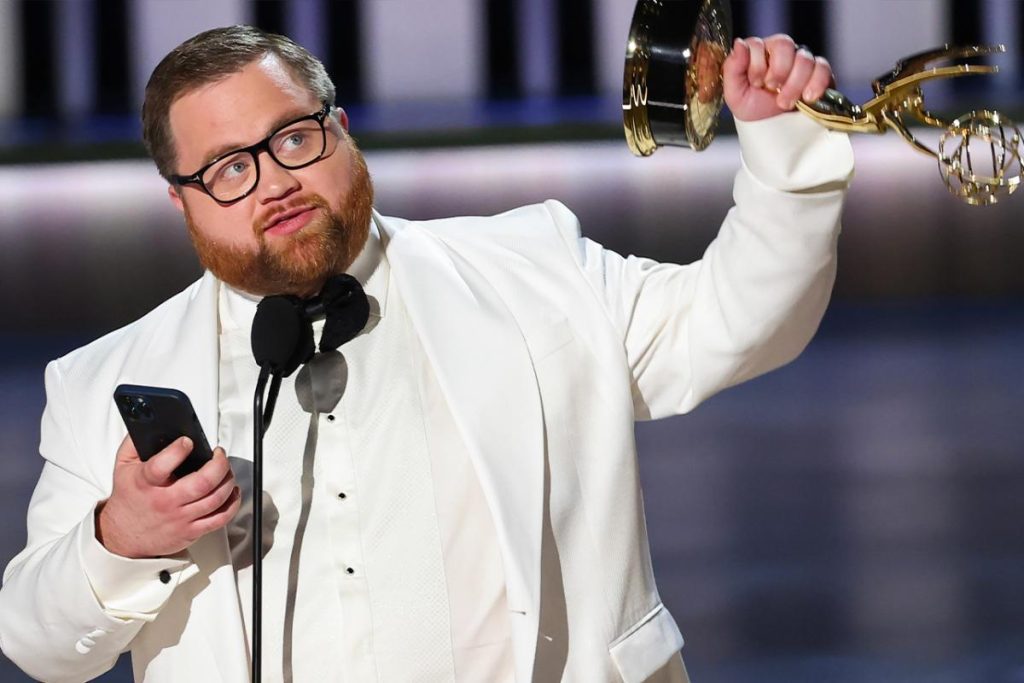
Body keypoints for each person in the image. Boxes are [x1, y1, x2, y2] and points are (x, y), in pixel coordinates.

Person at [0, 25, 852, 683]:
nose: (274, 181)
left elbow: (740, 316)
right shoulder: (102, 383)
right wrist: (121, 537)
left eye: (293, 138)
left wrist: (786, 154)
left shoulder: (533, 266)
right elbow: (38, 643)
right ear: (182, 200)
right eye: (228, 168)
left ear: (339, 129)